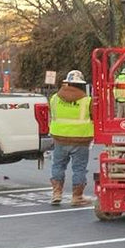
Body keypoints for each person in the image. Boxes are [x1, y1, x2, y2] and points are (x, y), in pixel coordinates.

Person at [48, 70, 94, 207]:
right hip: (81, 139)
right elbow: (94, 117)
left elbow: (53, 114)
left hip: (59, 138)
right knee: (79, 169)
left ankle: (56, 194)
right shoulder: (87, 101)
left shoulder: (55, 98)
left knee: (58, 166)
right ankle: (77, 197)